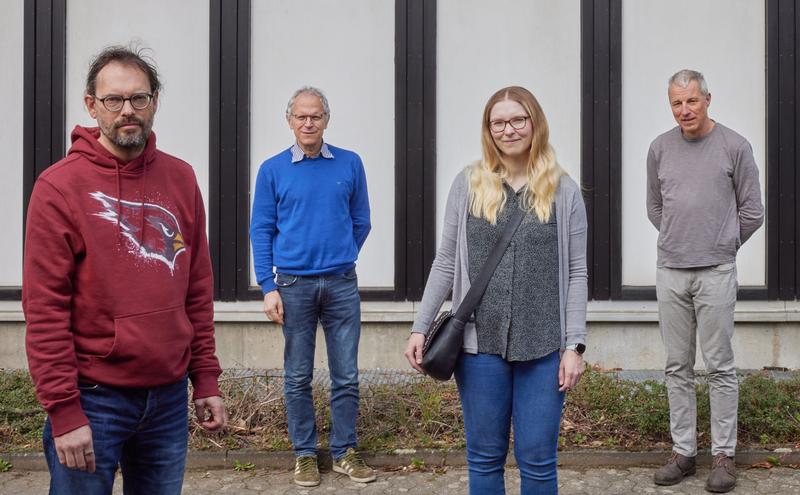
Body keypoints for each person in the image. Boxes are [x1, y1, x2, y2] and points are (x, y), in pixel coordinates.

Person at [22, 45, 227, 494]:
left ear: (154, 101)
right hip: (94, 399)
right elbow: (45, 310)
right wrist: (63, 410)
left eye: (139, 98)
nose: (127, 110)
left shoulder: (181, 178)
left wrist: (205, 377)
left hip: (169, 398)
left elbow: (197, 287)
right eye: (114, 100)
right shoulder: (58, 188)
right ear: (91, 105)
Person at [405, 86, 588, 494]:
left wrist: (574, 346)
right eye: (498, 122)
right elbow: (445, 262)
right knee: (485, 459)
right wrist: (419, 327)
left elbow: (577, 273)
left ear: (535, 123)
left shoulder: (564, 191)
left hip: (544, 347)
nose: (508, 130)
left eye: (517, 120)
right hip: (478, 346)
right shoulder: (467, 184)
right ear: (489, 130)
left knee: (538, 460)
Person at [250, 86, 374, 487]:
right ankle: (304, 453)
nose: (308, 122)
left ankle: (344, 452)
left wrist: (340, 253)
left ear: (326, 120)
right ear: (289, 121)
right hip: (292, 286)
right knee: (297, 375)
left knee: (346, 375)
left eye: (316, 116)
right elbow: (261, 229)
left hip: (340, 284)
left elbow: (362, 221)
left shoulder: (350, 164)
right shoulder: (272, 170)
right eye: (301, 116)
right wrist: (268, 285)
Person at [647, 69, 764, 493]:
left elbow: (753, 211)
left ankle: (723, 456)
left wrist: (721, 244)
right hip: (671, 271)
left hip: (716, 271)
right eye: (676, 103)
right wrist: (681, 239)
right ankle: (683, 454)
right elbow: (655, 209)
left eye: (691, 101)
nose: (684, 110)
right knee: (677, 366)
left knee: (719, 367)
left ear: (707, 99)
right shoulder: (659, 148)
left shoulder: (734, 146)